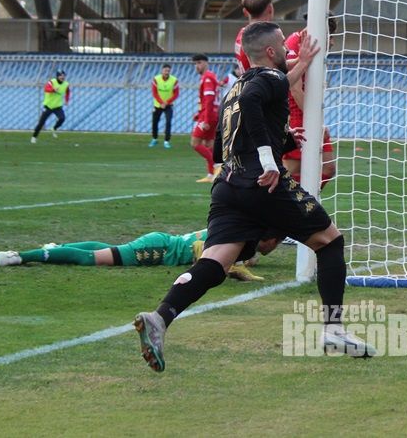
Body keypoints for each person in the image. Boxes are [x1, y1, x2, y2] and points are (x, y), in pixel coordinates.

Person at [132, 22, 373, 372]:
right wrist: (268, 159)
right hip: (262, 183)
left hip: (228, 186)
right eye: (284, 46)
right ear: (272, 52)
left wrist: (283, 139)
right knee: (330, 242)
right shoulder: (268, 78)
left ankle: (160, 317)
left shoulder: (235, 87)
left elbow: (223, 145)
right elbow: (257, 99)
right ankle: (333, 330)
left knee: (216, 262)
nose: (289, 51)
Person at [0, 227, 275, 282]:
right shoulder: (238, 243)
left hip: (161, 242)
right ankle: (22, 256)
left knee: (105, 249)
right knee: (94, 259)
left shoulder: (234, 230)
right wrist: (241, 271)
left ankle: (55, 249)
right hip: (158, 250)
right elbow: (207, 256)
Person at [282, 18, 338, 189]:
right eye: (330, 36)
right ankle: (277, 202)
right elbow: (295, 89)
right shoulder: (295, 43)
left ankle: (302, 201)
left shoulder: (309, 41)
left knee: (328, 168)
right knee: (290, 170)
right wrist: (316, 122)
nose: (332, 42)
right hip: (296, 113)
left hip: (305, 110)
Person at [190, 54, 219, 182]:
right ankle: (211, 175)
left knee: (195, 143)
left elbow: (209, 99)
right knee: (208, 144)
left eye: (199, 63)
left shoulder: (207, 77)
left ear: (206, 63)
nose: (197, 66)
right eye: (195, 64)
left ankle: (217, 166)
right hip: (210, 114)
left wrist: (206, 119)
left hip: (209, 115)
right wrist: (199, 113)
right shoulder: (210, 76)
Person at [31, 70, 69, 143]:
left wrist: (67, 100)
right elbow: (46, 89)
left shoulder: (66, 84)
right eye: (61, 75)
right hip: (48, 106)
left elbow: (68, 92)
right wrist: (53, 90)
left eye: (64, 75)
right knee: (41, 123)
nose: (62, 77)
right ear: (57, 76)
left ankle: (54, 128)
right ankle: (34, 137)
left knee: (62, 118)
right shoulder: (51, 82)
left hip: (57, 106)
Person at [149, 63, 178, 149]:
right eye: (165, 70)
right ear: (162, 71)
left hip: (168, 105)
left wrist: (167, 102)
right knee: (155, 122)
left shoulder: (174, 80)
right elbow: (154, 93)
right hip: (158, 105)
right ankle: (154, 138)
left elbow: (176, 94)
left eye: (168, 71)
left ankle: (166, 141)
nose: (167, 72)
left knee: (168, 122)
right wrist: (161, 102)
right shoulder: (156, 79)